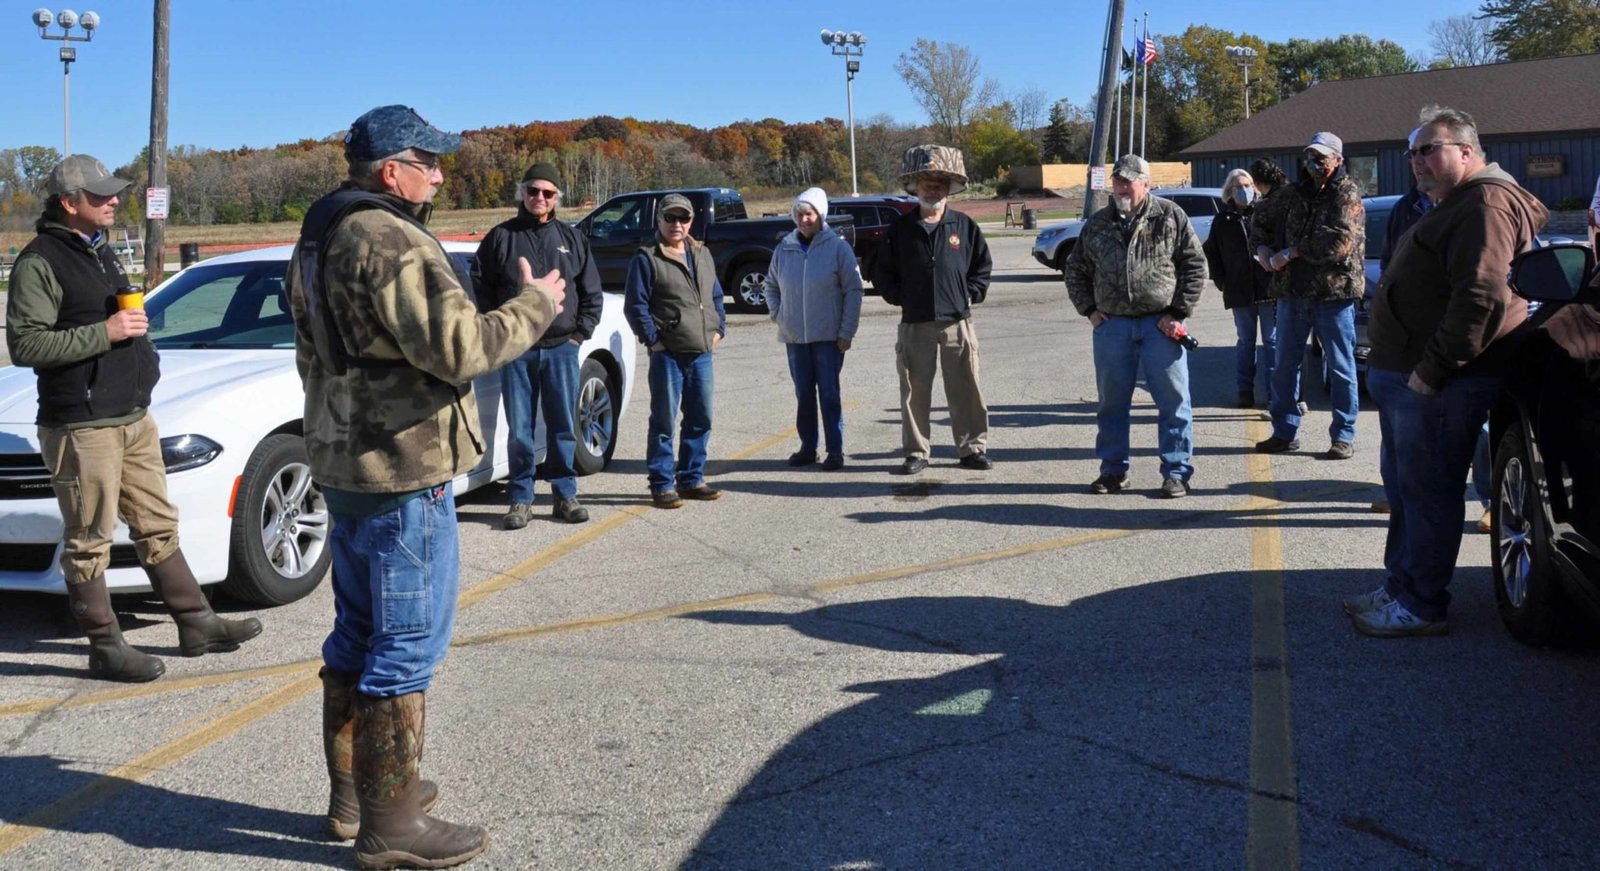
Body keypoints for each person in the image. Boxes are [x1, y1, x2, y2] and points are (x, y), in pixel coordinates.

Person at [288, 105, 565, 866]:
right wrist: (537, 302)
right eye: (429, 161)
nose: (440, 175)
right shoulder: (387, 236)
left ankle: (359, 796)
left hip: (347, 464)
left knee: (355, 635)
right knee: (404, 649)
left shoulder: (319, 231)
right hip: (403, 469)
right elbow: (463, 346)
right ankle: (391, 824)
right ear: (390, 170)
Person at [5, 155, 261, 684]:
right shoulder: (40, 260)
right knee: (89, 537)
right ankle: (105, 646)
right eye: (100, 196)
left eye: (114, 192)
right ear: (68, 203)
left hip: (132, 415)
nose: (113, 200)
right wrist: (109, 332)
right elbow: (25, 344)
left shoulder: (99, 250)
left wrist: (144, 363)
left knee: (157, 523)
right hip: (82, 423)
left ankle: (196, 622)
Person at [1345, 106, 1547, 637]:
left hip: (1438, 381)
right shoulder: (1456, 201)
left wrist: (1431, 371)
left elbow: (1482, 297)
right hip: (1412, 376)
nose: (1417, 160)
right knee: (1409, 489)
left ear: (1466, 150)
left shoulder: (1485, 203)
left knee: (1431, 493)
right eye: (1412, 152)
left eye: (1429, 149)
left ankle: (1423, 603)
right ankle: (1401, 584)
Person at [1064, 154, 1208, 498]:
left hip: (1160, 326)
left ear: (1146, 182)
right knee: (1111, 404)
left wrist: (1177, 312)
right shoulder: (1098, 224)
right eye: (1117, 181)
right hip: (1112, 327)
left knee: (1174, 402)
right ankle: (1113, 471)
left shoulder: (1170, 217)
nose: (1122, 187)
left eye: (1129, 181)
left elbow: (1194, 266)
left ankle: (1176, 471)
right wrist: (1089, 310)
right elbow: (1076, 270)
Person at [473, 162, 603, 528]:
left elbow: (591, 291)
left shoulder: (573, 238)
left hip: (562, 347)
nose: (540, 198)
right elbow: (480, 287)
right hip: (516, 350)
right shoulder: (501, 238)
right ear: (522, 193)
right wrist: (498, 330)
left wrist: (579, 335)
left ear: (557, 197)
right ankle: (520, 498)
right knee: (520, 428)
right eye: (533, 191)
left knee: (563, 423)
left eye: (548, 193)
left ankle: (565, 494)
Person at [873, 144, 993, 475]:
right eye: (926, 182)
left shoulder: (964, 226)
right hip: (915, 324)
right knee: (914, 391)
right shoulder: (900, 230)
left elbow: (982, 266)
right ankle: (916, 452)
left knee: (967, 387)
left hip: (958, 323)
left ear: (949, 188)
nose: (933, 188)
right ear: (915, 187)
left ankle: (971, 449)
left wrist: (970, 294)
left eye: (940, 182)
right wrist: (900, 297)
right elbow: (881, 272)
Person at [1251, 132, 1365, 461]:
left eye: (1322, 157)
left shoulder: (1347, 193)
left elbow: (1338, 243)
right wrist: (1261, 248)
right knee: (1284, 366)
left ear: (1338, 159)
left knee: (1342, 368)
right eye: (1310, 156)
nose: (1315, 163)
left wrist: (1291, 252)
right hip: (1291, 293)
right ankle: (1284, 431)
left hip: (1333, 295)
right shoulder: (1294, 193)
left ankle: (1343, 435)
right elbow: (1261, 217)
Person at [623, 193, 726, 509]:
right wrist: (653, 340)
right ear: (659, 221)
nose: (677, 224)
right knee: (664, 421)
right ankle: (662, 484)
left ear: (691, 221)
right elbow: (635, 306)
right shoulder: (647, 257)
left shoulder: (702, 253)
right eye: (670, 218)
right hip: (667, 354)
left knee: (701, 418)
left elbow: (717, 296)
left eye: (683, 218)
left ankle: (692, 478)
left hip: (702, 352)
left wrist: (719, 329)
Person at [766, 186, 863, 471]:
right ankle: (808, 448)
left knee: (829, 394)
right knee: (804, 394)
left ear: (821, 215)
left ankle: (835, 450)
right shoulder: (784, 248)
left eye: (809, 213)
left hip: (829, 338)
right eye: (799, 214)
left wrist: (846, 332)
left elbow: (854, 291)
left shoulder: (838, 248)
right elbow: (771, 285)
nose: (804, 219)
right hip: (795, 337)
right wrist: (778, 314)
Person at [1203, 168, 1275, 409]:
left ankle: (1276, 391)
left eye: (1247, 185)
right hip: (1239, 290)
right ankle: (1245, 390)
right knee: (1246, 341)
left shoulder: (1265, 213)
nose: (1244, 190)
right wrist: (1222, 281)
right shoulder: (1222, 221)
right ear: (1229, 192)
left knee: (1272, 341)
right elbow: (1211, 252)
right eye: (1238, 186)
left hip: (1267, 289)